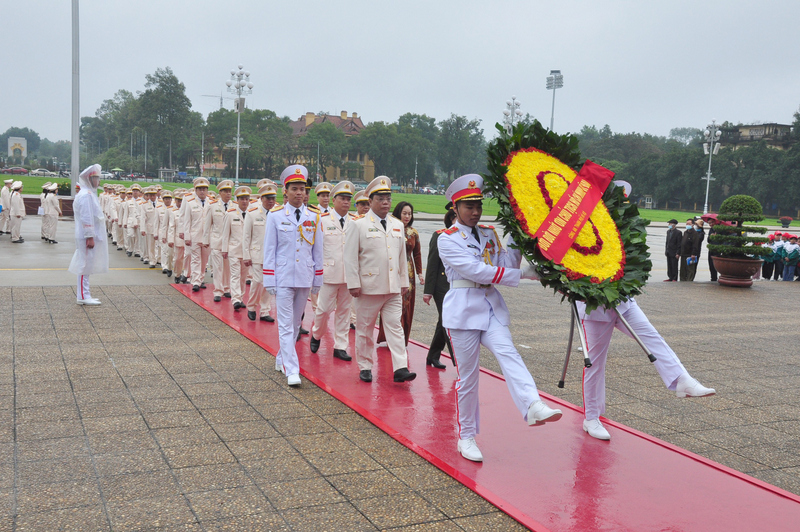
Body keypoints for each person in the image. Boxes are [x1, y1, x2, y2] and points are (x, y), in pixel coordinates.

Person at [437, 174, 560, 462]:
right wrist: (523, 275)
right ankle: (466, 436)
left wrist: (517, 233)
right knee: (468, 379)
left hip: (490, 307)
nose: (475, 211)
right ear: (455, 208)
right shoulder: (447, 239)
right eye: (468, 206)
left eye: (478, 205)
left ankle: (532, 404)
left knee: (509, 353)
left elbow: (505, 263)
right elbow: (475, 271)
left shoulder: (490, 233)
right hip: (463, 313)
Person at [577, 298, 716, 440]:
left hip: (622, 301)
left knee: (652, 338)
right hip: (593, 308)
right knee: (595, 363)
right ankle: (591, 418)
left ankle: (682, 379)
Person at [344, 176, 417, 384]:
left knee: (395, 326)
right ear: (371, 201)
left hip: (393, 287)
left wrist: (404, 282)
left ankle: (400, 367)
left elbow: (402, 256)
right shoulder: (358, 225)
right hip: (368, 288)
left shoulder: (396, 224)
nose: (386, 202)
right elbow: (349, 257)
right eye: (381, 198)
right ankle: (365, 366)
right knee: (365, 329)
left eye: (388, 198)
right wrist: (353, 284)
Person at [263, 165, 324, 387]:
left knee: (296, 325)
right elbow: (269, 249)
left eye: (303, 189)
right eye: (295, 189)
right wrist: (269, 278)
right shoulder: (276, 216)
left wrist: (318, 279)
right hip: (283, 277)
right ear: (285, 191)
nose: (299, 193)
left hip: (304, 277)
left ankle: (281, 359)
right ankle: (292, 369)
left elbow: (318, 251)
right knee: (286, 325)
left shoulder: (314, 217)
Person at [310, 181, 356, 362]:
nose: (346, 202)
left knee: (344, 312)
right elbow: (315, 247)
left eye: (348, 199)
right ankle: (316, 334)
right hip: (329, 273)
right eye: (342, 199)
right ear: (334, 200)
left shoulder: (354, 222)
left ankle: (340, 346)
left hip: (348, 275)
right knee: (323, 310)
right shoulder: (322, 220)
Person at [376, 201, 423, 347]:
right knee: (392, 305)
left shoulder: (413, 232)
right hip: (392, 271)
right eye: (404, 213)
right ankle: (390, 337)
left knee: (406, 305)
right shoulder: (390, 228)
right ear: (398, 213)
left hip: (408, 275)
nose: (407, 216)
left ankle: (401, 338)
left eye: (410, 214)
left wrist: (420, 273)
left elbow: (417, 254)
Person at [69, 165, 109, 305]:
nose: (98, 181)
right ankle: (82, 296)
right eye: (96, 178)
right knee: (84, 265)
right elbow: (87, 218)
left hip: (88, 235)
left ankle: (85, 294)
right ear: (90, 179)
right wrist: (89, 236)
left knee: (86, 264)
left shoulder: (89, 194)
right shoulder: (86, 196)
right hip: (86, 236)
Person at [422, 206, 456, 369]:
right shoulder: (440, 235)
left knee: (443, 321)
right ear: (451, 219)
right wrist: (428, 291)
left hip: (458, 287)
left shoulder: (468, 237)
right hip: (441, 286)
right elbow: (432, 264)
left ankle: (432, 356)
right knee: (449, 322)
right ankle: (459, 363)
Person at [243, 183, 277, 322]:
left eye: (273, 198)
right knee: (257, 282)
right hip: (257, 254)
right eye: (268, 198)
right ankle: (251, 307)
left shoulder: (278, 214)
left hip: (273, 256)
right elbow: (246, 236)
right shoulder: (252, 214)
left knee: (269, 283)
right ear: (262, 198)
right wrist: (246, 255)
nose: (271, 201)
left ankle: (264, 311)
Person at [221, 186, 251, 310]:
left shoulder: (252, 214)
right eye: (242, 199)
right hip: (234, 250)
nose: (244, 201)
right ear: (237, 200)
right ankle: (236, 299)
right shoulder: (230, 214)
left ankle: (241, 297)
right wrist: (224, 249)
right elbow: (225, 233)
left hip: (247, 252)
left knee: (243, 277)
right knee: (235, 275)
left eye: (246, 199)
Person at [205, 180, 234, 302]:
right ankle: (218, 290)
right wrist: (205, 240)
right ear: (220, 193)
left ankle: (227, 288)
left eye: (229, 191)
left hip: (231, 243)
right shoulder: (212, 206)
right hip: (217, 241)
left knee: (228, 268)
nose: (228, 194)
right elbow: (207, 225)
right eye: (225, 191)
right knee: (217, 267)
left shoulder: (235, 206)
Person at [181, 178, 211, 292]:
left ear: (207, 190)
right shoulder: (190, 203)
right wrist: (187, 237)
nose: (202, 192)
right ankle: (195, 281)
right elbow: (187, 221)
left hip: (207, 237)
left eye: (204, 189)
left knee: (204, 260)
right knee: (195, 259)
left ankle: (201, 278)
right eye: (200, 189)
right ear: (196, 190)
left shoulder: (211, 203)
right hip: (194, 236)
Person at [349, 190, 371, 330]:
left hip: (368, 266)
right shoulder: (352, 222)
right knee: (353, 298)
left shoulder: (373, 222)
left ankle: (359, 319)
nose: (366, 207)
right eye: (362, 204)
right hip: (354, 265)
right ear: (356, 206)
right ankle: (353, 320)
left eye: (368, 204)